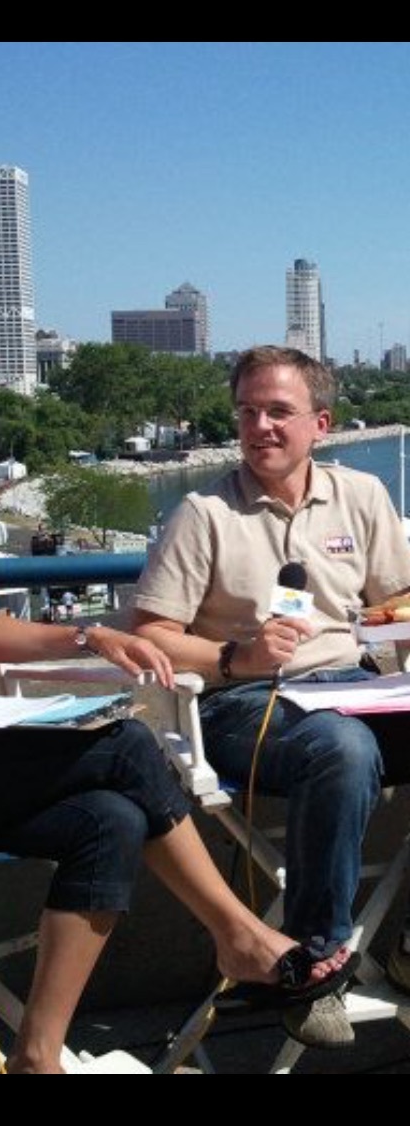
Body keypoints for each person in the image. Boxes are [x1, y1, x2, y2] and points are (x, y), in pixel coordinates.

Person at [0, 328, 350, 1073]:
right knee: (124, 745)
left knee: (110, 818)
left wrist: (89, 636)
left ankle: (36, 1055)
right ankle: (238, 936)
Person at [133, 344, 410, 1046]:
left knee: (347, 735)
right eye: (248, 412)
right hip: (244, 701)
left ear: (322, 423)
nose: (260, 427)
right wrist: (239, 656)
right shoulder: (203, 513)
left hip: (353, 686)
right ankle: (311, 963)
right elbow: (151, 634)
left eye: (279, 412)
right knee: (342, 749)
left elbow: (398, 600)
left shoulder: (360, 496)